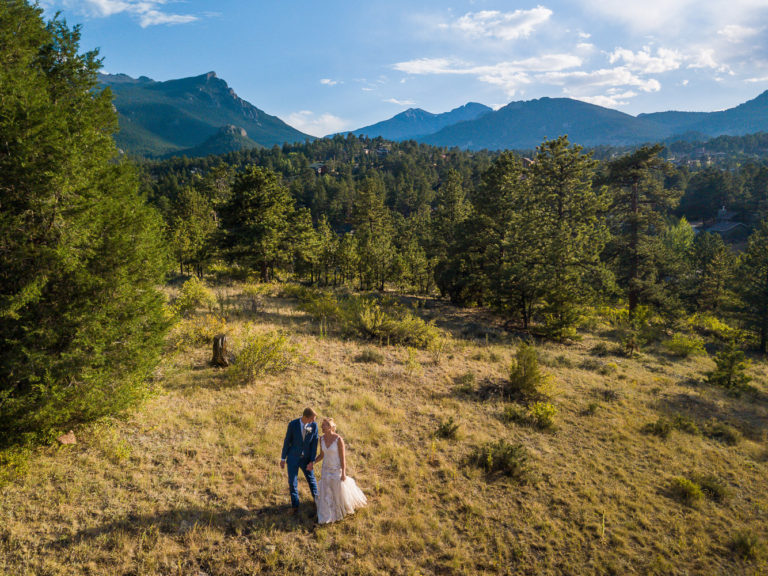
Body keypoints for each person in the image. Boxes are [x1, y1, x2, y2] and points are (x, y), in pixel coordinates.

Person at [315, 417, 367, 524]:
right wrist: (312, 462)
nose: (322, 427)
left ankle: (339, 509)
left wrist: (343, 472)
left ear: (330, 427)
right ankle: (326, 514)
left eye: (324, 425)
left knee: (337, 489)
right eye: (322, 425)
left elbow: (343, 457)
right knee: (325, 490)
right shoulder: (321, 439)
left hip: (336, 469)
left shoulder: (338, 439)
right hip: (325, 469)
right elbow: (321, 455)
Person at [280, 407, 319, 516]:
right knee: (292, 483)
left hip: (306, 459)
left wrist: (312, 461)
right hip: (292, 458)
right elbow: (287, 441)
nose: (314, 421)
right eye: (312, 418)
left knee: (311, 480)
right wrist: (283, 458)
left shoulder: (314, 426)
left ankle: (317, 502)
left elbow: (314, 444)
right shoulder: (293, 424)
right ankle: (295, 507)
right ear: (305, 417)